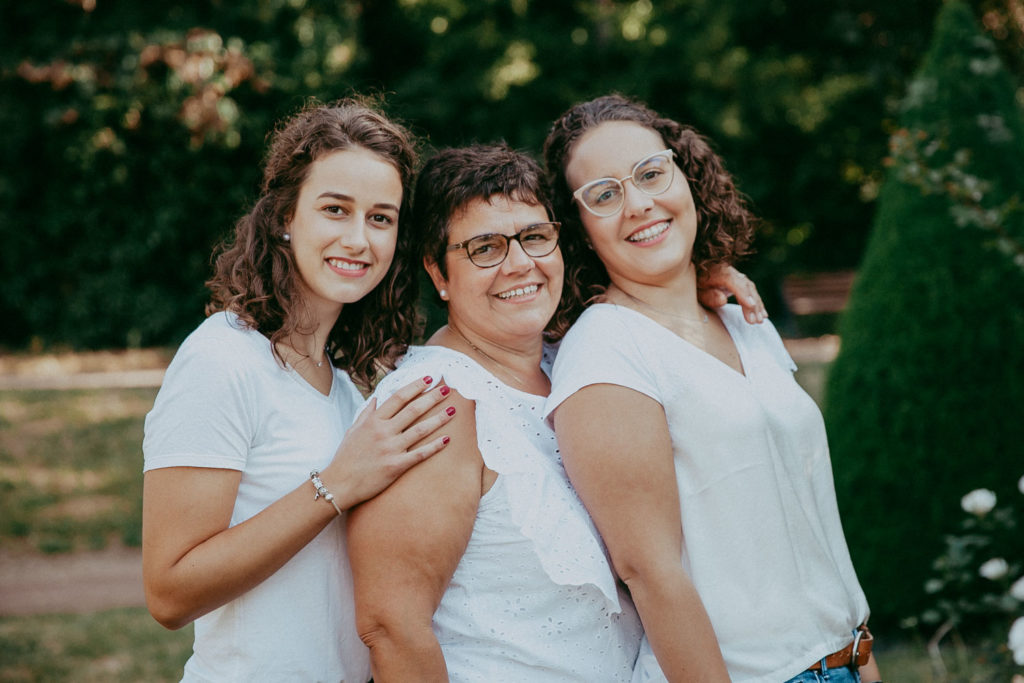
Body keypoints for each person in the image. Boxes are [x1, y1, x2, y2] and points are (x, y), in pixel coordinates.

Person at [346, 143, 764, 682]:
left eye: (535, 237)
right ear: (438, 272)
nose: (521, 263)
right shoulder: (433, 404)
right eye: (485, 248)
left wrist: (698, 279)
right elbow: (390, 627)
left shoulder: (580, 361)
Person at [542, 93, 882, 683]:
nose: (639, 204)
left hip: (843, 660)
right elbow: (648, 572)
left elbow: (809, 523)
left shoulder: (740, 319)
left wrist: (857, 656)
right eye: (604, 194)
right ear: (577, 229)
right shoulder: (605, 354)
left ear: (686, 174)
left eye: (651, 173)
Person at [141, 98, 455, 682]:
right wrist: (334, 485)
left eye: (381, 218)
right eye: (336, 209)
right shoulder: (223, 358)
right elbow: (169, 593)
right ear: (286, 214)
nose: (359, 239)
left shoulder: (351, 382)